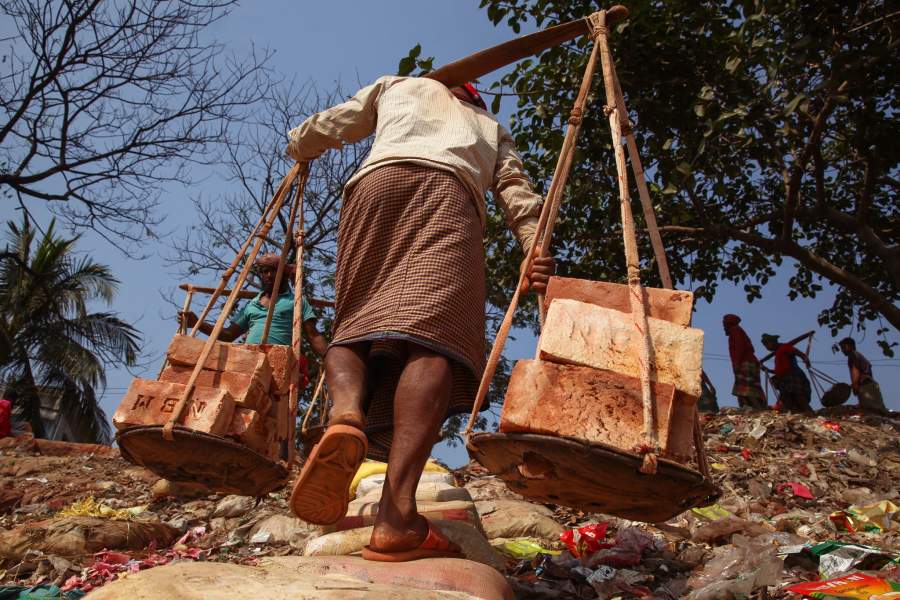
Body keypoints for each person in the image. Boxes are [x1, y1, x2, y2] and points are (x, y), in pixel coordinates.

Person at [284, 77, 554, 561]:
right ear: (476, 98)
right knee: (434, 339)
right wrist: (533, 246)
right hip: (448, 194)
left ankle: (345, 412)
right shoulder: (489, 126)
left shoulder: (397, 86)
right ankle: (396, 516)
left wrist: (299, 143)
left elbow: (335, 123)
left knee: (357, 323)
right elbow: (515, 187)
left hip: (372, 190)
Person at [179, 253, 328, 355]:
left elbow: (313, 336)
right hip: (249, 358)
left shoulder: (295, 302)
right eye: (265, 272)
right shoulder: (252, 305)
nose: (269, 275)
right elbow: (228, 334)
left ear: (284, 274)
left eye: (274, 271)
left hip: (278, 358)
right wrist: (197, 323)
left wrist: (330, 357)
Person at [723, 314, 767, 410]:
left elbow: (740, 347)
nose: (723, 327)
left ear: (729, 324)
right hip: (748, 362)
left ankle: (758, 409)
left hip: (745, 363)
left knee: (747, 389)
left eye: (724, 324)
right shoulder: (737, 331)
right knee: (743, 389)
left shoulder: (735, 330)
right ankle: (751, 408)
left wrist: (737, 364)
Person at [760, 333, 813, 413]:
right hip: (785, 378)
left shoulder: (784, 347)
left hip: (793, 375)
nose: (767, 348)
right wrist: (768, 370)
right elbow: (779, 371)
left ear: (773, 342)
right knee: (788, 399)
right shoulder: (778, 353)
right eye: (765, 346)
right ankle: (801, 413)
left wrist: (805, 358)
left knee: (798, 395)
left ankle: (809, 412)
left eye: (767, 345)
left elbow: (797, 352)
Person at [838, 337, 887, 413]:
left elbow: (855, 370)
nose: (842, 350)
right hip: (872, 385)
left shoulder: (852, 355)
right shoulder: (859, 355)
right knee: (879, 410)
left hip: (866, 387)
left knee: (870, 411)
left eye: (843, 347)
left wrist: (855, 385)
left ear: (850, 346)